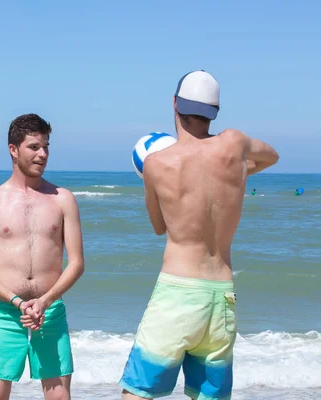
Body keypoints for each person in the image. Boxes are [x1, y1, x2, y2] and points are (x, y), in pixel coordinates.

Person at [119, 70, 279, 400]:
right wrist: (237, 173)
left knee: (137, 392)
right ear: (214, 112)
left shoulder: (156, 163)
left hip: (178, 293)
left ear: (175, 103)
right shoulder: (234, 143)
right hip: (222, 295)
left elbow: (160, 226)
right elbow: (271, 156)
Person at [0, 113, 85, 400]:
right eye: (34, 147)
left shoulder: (63, 199)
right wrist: (19, 302)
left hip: (50, 312)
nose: (42, 154)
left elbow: (76, 263)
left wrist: (44, 301)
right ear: (13, 149)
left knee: (59, 397)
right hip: (3, 314)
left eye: (46, 147)